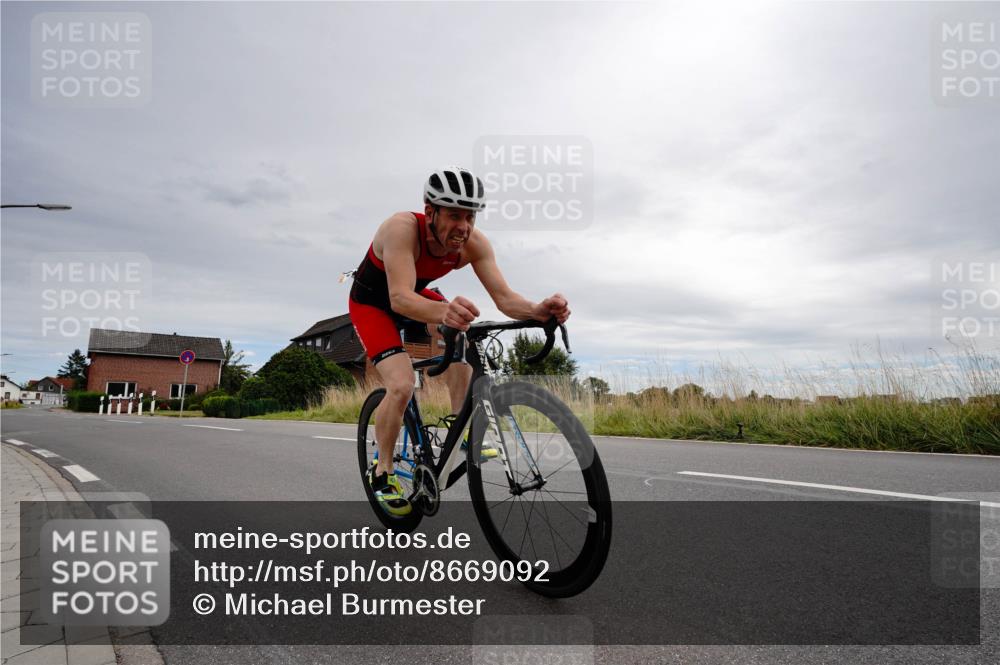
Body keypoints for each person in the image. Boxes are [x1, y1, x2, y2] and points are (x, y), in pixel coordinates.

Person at [349, 166, 571, 516]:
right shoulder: (400, 229)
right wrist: (445, 312)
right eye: (454, 215)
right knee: (402, 384)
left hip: (415, 294)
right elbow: (400, 298)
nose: (464, 227)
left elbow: (505, 298)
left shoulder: (473, 244)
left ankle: (461, 428)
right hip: (374, 303)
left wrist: (537, 310)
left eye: (470, 216)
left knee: (463, 336)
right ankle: (383, 471)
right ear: (430, 212)